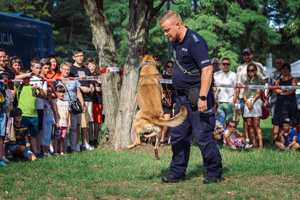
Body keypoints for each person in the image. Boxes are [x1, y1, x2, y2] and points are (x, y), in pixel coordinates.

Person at [160, 10, 223, 184]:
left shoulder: (196, 41)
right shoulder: (175, 43)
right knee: (179, 136)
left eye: (167, 30)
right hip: (181, 99)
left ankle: (214, 173)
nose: (166, 35)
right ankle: (177, 172)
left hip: (197, 97)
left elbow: (207, 69)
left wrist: (203, 97)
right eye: (164, 31)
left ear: (178, 25)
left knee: (203, 135)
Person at [272, 63, 300, 140]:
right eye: (283, 69)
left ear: (289, 70)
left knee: (295, 123)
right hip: (280, 104)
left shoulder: (293, 79)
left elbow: (292, 90)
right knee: (278, 123)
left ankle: (296, 139)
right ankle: (278, 140)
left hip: (291, 104)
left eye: (286, 69)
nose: (284, 70)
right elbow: (275, 89)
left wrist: (282, 92)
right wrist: (283, 92)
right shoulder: (278, 80)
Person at [243, 63, 264, 148]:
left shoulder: (259, 80)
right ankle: (254, 144)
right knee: (249, 125)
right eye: (248, 70)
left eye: (252, 70)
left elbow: (259, 93)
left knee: (256, 125)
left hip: (256, 102)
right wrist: (246, 102)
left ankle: (261, 145)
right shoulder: (246, 81)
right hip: (247, 102)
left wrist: (252, 102)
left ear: (255, 71)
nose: (250, 72)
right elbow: (244, 93)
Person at [214, 57, 236, 125]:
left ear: (230, 65)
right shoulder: (216, 74)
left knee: (229, 123)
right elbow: (214, 88)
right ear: (221, 65)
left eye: (228, 64)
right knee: (219, 123)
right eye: (224, 64)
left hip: (229, 102)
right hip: (219, 102)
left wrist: (234, 102)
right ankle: (221, 136)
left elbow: (236, 89)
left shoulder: (234, 75)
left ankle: (227, 136)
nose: (226, 65)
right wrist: (215, 101)